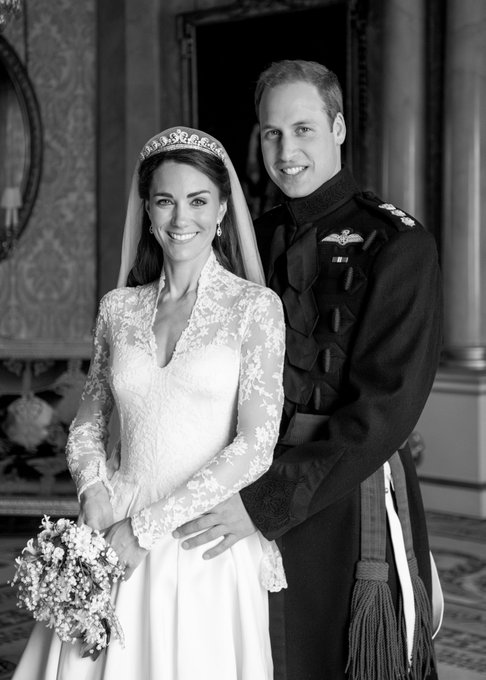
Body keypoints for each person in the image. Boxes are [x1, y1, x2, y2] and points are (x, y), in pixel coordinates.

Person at [174, 61, 444, 680]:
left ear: (339, 127)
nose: (286, 150)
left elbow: (385, 412)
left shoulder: (399, 245)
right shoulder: (244, 239)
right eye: (272, 133)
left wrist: (265, 504)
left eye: (304, 130)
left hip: (342, 498)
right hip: (233, 478)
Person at [11, 126, 287, 680]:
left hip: (201, 533)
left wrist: (145, 530)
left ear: (223, 209)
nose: (180, 218)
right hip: (113, 519)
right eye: (165, 201)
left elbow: (257, 442)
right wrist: (94, 493)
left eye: (197, 201)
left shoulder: (255, 308)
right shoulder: (117, 308)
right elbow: (89, 423)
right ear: (148, 209)